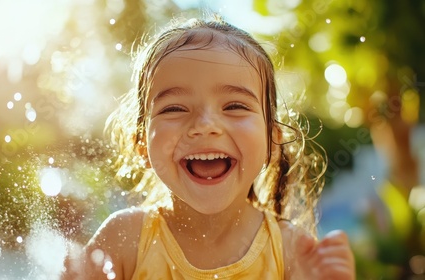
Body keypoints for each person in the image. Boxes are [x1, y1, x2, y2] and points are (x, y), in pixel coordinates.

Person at [62, 15, 355, 280]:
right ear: (141, 143)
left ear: (272, 141)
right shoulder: (125, 241)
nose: (204, 125)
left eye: (235, 106)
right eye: (174, 108)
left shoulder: (291, 252)